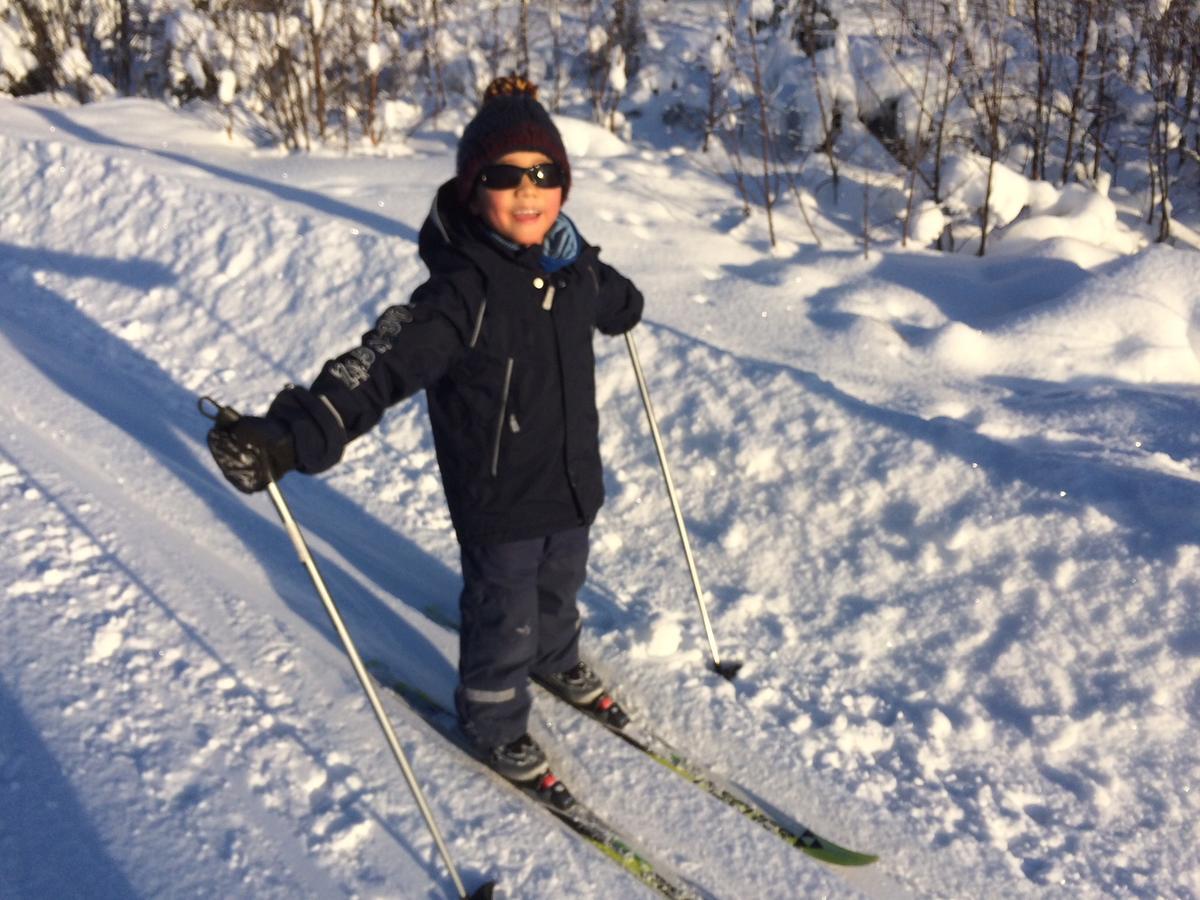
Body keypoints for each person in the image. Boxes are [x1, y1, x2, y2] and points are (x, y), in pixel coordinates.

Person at [206, 75, 644, 789]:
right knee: (504, 611)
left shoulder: (576, 268)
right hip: (499, 497)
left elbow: (613, 293)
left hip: (569, 480)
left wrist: (626, 304)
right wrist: (292, 433)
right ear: (474, 190)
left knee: (560, 583)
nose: (528, 190)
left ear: (564, 185)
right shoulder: (458, 294)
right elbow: (375, 366)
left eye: (544, 173)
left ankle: (554, 654)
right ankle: (492, 717)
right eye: (506, 176)